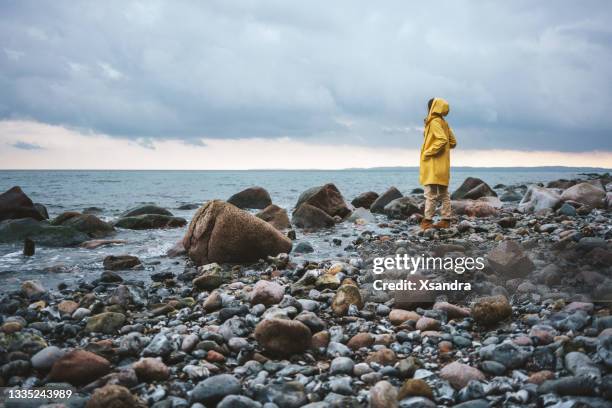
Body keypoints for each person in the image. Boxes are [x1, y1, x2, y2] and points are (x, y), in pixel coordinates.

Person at [419, 97, 456, 230]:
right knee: (444, 193)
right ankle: (446, 220)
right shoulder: (444, 123)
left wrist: (429, 152)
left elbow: (442, 140)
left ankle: (427, 221)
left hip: (433, 164)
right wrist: (443, 152)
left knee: (430, 193)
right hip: (443, 165)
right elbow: (453, 142)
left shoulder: (434, 122)